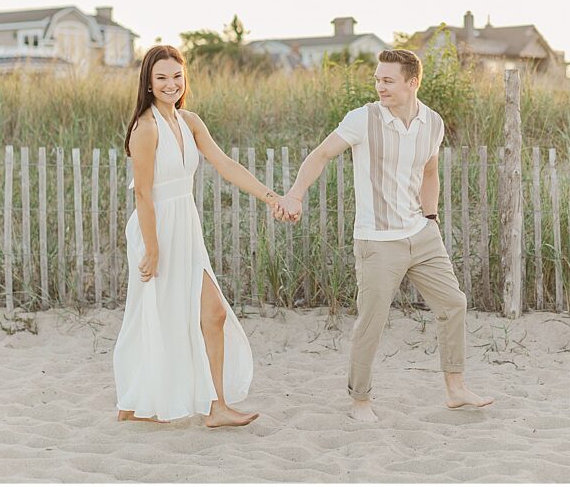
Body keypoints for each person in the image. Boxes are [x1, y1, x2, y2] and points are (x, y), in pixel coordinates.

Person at [275, 49, 494, 422]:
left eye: (388, 80)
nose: (379, 86)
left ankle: (455, 389)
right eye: (377, 79)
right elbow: (322, 154)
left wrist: (431, 218)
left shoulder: (433, 123)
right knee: (371, 321)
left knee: (453, 303)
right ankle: (361, 401)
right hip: (377, 240)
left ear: (413, 83)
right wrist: (294, 193)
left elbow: (430, 172)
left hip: (422, 234)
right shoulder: (362, 119)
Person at [114, 45, 288, 427]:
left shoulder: (190, 121)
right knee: (154, 315)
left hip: (186, 226)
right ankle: (134, 400)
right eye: (161, 77)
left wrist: (270, 196)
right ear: (148, 82)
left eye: (176, 76)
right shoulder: (145, 128)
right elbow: (142, 192)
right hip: (155, 228)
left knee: (213, 311)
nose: (170, 84)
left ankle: (216, 406)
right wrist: (153, 247)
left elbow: (225, 164)